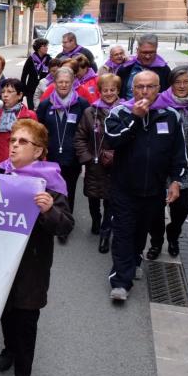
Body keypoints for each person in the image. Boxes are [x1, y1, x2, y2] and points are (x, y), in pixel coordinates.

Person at [0, 119, 74, 376]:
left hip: (32, 268)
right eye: (13, 140)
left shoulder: (51, 184)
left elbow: (65, 226)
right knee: (4, 312)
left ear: (38, 151)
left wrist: (49, 211)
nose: (14, 146)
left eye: (23, 142)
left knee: (26, 321)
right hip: (0, 263)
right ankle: (8, 348)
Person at [104, 71, 187, 302]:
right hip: (124, 188)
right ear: (132, 89)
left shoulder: (171, 115)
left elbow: (179, 153)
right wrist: (135, 117)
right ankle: (121, 281)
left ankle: (135, 260)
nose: (144, 91)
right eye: (139, 86)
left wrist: (176, 181)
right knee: (123, 233)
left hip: (154, 190)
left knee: (141, 232)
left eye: (150, 87)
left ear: (159, 89)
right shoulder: (120, 112)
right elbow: (112, 139)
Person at [146, 65, 188, 259]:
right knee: (155, 209)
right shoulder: (158, 102)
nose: (182, 86)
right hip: (159, 165)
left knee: (181, 208)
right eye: (178, 82)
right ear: (171, 83)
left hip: (185, 167)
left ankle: (173, 235)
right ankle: (156, 242)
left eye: (186, 82)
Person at [36, 67, 89, 243]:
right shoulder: (46, 104)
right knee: (51, 191)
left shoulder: (82, 104)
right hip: (50, 158)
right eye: (60, 82)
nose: (64, 85)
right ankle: (50, 220)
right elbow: (39, 130)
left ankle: (65, 225)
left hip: (72, 158)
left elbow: (86, 130)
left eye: (67, 82)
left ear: (73, 82)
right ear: (54, 83)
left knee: (69, 192)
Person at [74, 74, 121, 254]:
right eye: (105, 90)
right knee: (93, 197)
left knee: (111, 201)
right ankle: (96, 219)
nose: (109, 93)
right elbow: (80, 137)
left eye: (112, 90)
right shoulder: (89, 112)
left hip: (116, 166)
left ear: (118, 91)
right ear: (99, 91)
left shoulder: (125, 111)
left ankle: (105, 233)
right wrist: (87, 158)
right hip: (94, 165)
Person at [0, 78, 37, 172]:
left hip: (19, 167)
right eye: (3, 92)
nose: (5, 95)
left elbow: (37, 143)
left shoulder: (29, 116)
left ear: (20, 95)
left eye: (9, 92)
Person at [116, 34, 171, 100]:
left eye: (151, 52)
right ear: (137, 50)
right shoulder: (126, 68)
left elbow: (169, 95)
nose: (147, 56)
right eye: (144, 52)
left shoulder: (164, 70)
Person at [21, 38, 51, 110]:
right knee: (31, 109)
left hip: (44, 89)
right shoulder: (31, 59)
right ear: (38, 47)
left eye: (47, 46)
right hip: (31, 89)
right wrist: (24, 89)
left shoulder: (49, 59)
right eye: (44, 46)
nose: (47, 48)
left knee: (41, 109)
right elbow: (24, 75)